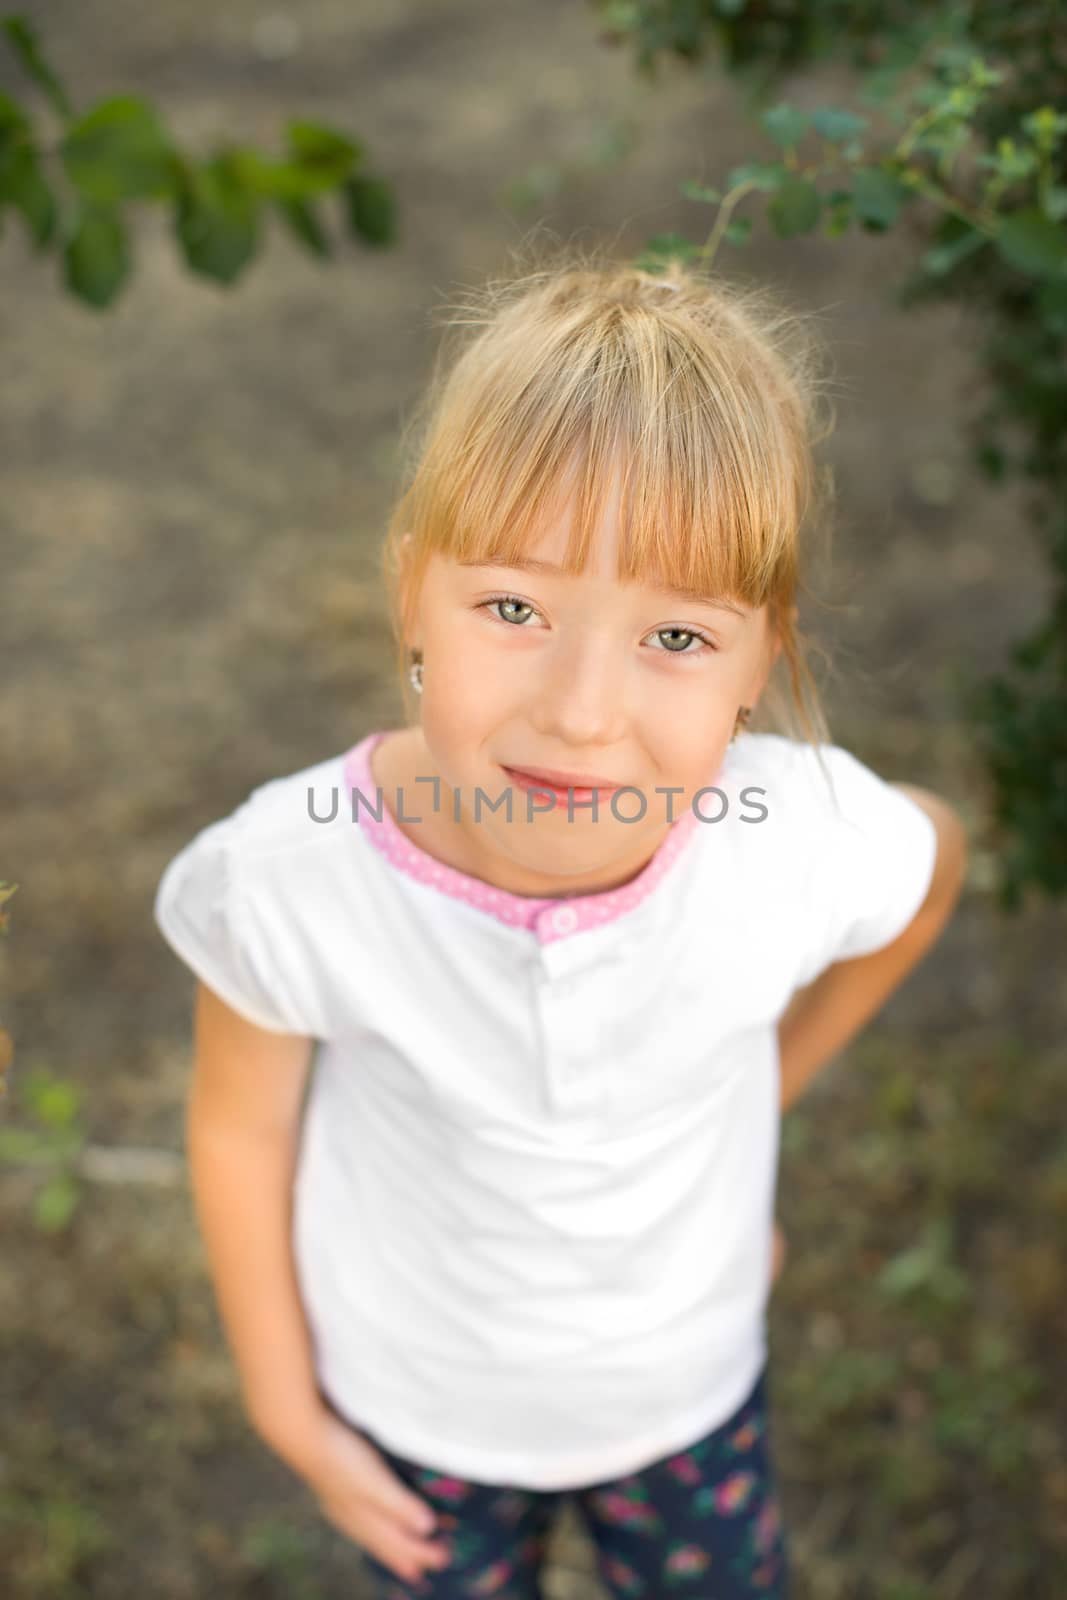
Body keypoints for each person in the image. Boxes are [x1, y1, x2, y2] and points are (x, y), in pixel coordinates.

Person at [153, 249, 968, 1598]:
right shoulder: (290, 878)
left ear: (765, 656)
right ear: (414, 589)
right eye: (515, 608)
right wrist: (284, 1404)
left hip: (688, 1392)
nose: (584, 711)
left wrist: (770, 1088)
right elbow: (240, 1124)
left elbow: (931, 872)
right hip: (412, 1418)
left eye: (679, 638)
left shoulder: (803, 843)